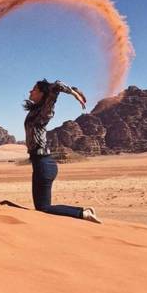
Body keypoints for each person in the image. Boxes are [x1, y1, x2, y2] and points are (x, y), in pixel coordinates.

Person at [24, 79, 101, 223]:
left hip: (43, 164)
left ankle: (83, 213)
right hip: (39, 163)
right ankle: (83, 212)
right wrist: (73, 88)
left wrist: (73, 93)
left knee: (44, 208)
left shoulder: (45, 111)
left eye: (34, 89)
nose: (30, 91)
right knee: (41, 206)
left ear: (42, 93)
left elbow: (56, 85)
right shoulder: (36, 110)